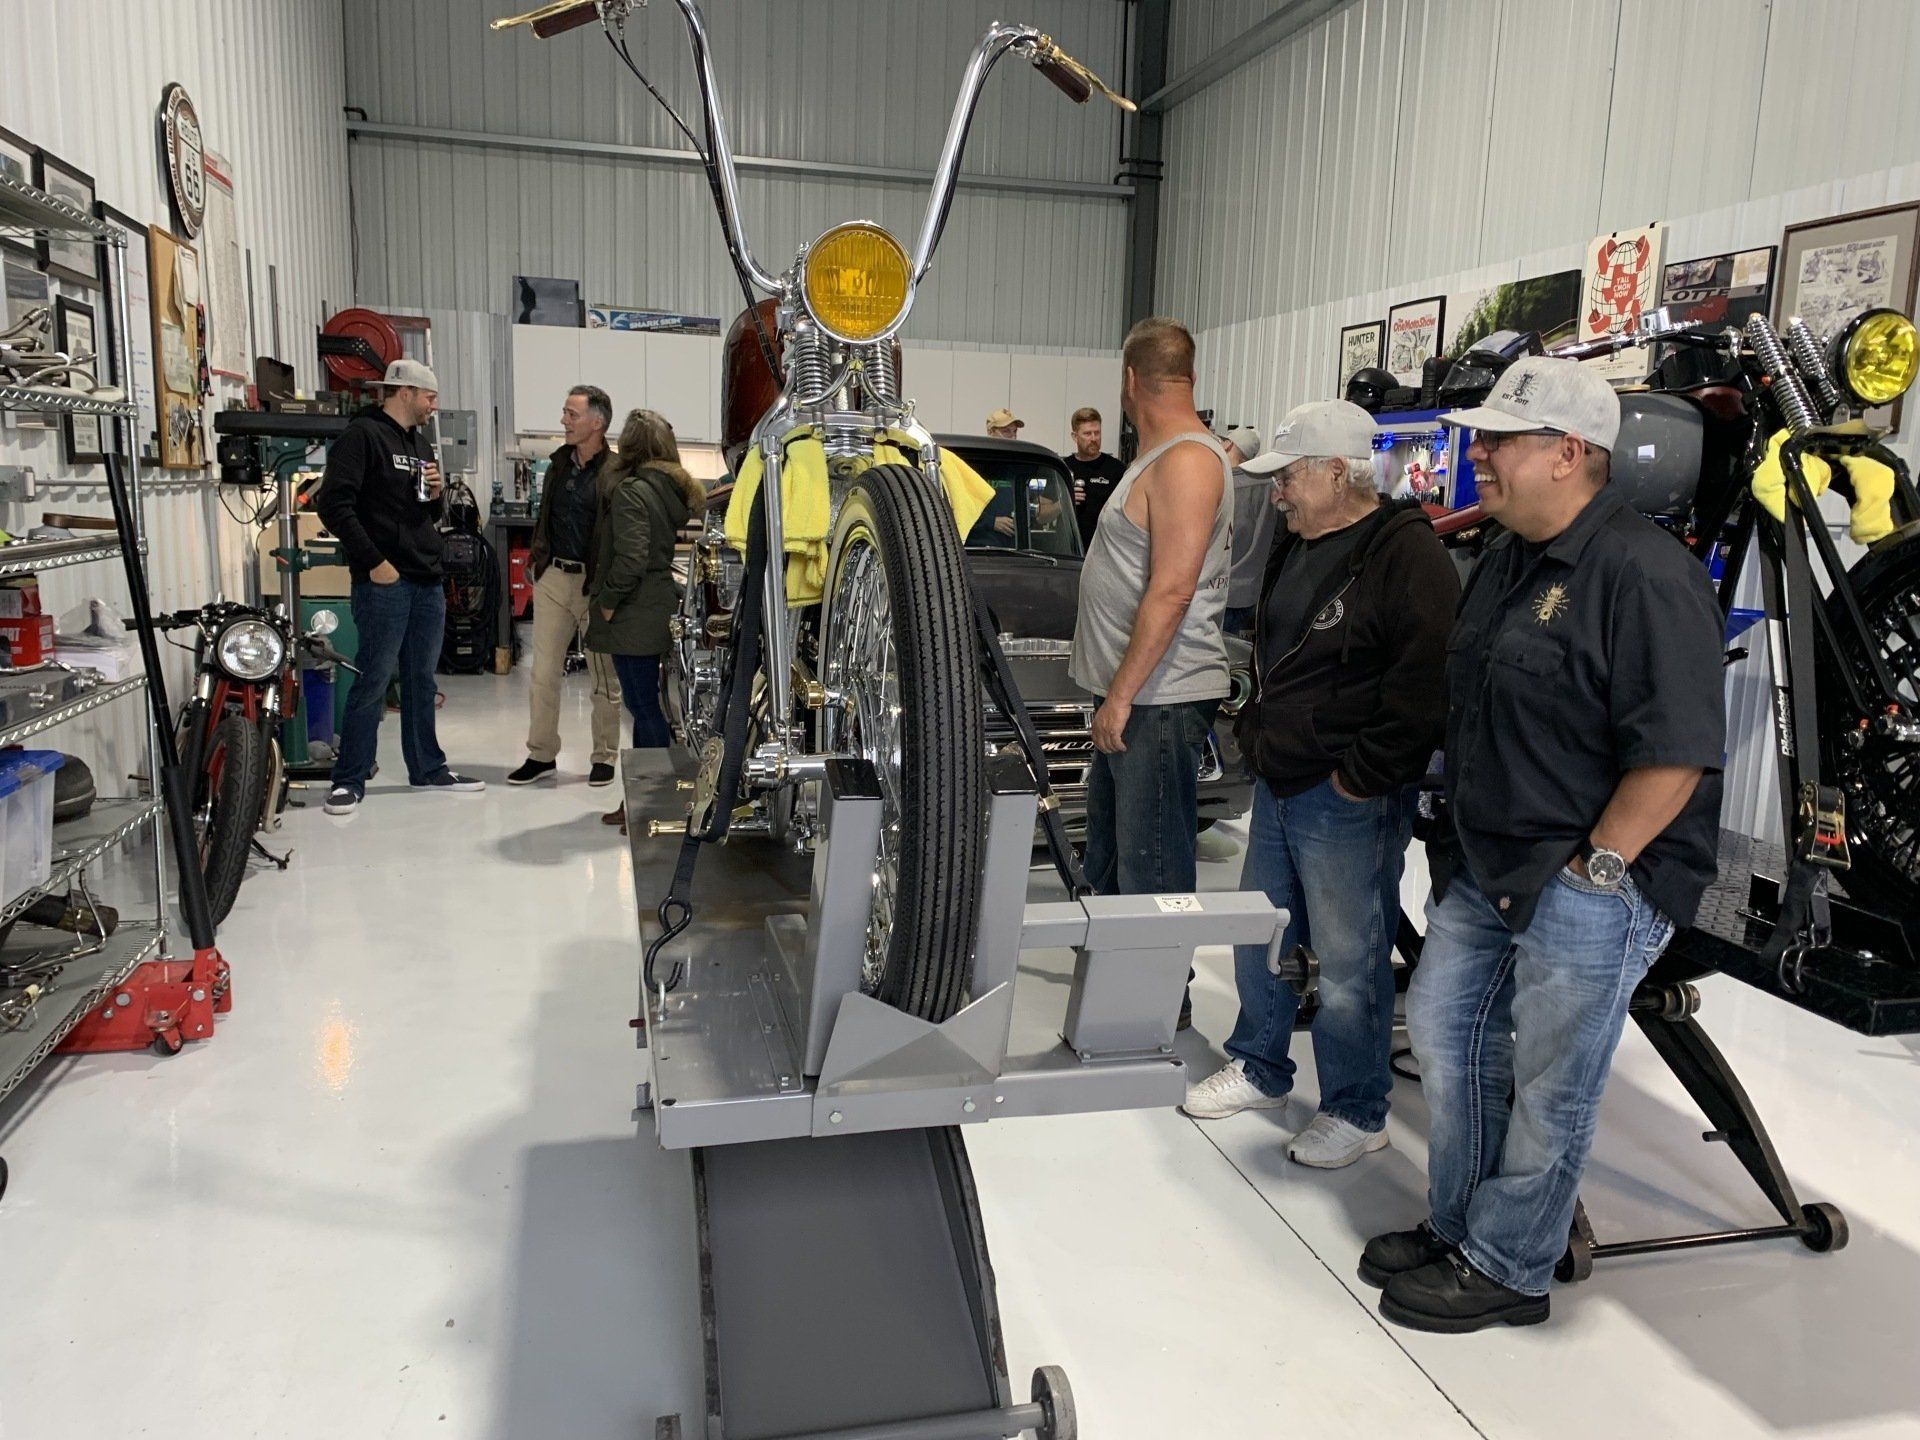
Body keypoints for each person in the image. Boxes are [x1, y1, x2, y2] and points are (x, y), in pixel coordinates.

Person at [1363, 356, 1726, 1333]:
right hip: (1492, 864)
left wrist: (1600, 866)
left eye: (1500, 441)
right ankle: (1461, 1226)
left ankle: (1512, 1262)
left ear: (1570, 454)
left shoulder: (1647, 576)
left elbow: (1679, 755)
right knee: (1445, 1033)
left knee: (1551, 1081)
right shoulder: (1505, 560)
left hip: (1591, 875)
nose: (1480, 456)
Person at [1181, 401, 1458, 1170]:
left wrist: (1360, 778)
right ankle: (1263, 1066)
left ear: (1337, 473)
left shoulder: (1407, 555)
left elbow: (1427, 683)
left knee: (1346, 962)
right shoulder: (1296, 543)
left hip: (1346, 798)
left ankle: (1357, 1107)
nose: (1278, 494)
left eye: (1290, 478)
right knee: (1259, 933)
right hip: (1281, 779)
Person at [1069, 318, 1232, 1029]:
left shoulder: (1187, 461)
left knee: (1153, 869)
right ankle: (1122, 997)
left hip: (1158, 701)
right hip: (1134, 699)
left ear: (1131, 383)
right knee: (1111, 861)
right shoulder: (1162, 456)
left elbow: (1173, 589)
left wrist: (1124, 697)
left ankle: (1160, 1008)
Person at [316, 359, 484, 815]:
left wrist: (431, 496)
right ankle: (348, 779)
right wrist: (373, 562)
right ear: (405, 391)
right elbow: (332, 503)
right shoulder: (363, 435)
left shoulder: (419, 441)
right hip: (386, 581)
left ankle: (428, 769)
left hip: (426, 579)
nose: (434, 406)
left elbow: (420, 513)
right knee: (373, 680)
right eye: (430, 397)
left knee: (420, 681)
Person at [587, 409, 706, 832]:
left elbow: (631, 557)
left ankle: (650, 802)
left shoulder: (632, 491)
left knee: (644, 710)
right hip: (654, 607)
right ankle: (644, 797)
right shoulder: (665, 491)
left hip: (632, 612)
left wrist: (607, 601)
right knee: (649, 708)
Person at [507, 385, 624, 788]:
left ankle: (604, 755)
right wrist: (538, 561)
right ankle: (541, 754)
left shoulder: (616, 470)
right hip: (555, 577)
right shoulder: (558, 463)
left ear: (598, 422)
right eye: (565, 413)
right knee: (543, 673)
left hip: (595, 585)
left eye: (572, 414)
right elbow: (547, 517)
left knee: (603, 675)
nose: (563, 421)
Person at [1218, 424, 1270, 636]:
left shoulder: (1220, 483)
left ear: (1229, 444)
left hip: (1223, 593)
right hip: (1255, 593)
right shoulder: (1269, 485)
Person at [1064, 406, 1127, 544]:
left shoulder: (1116, 469)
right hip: (1072, 549)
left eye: (1097, 433)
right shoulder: (1063, 467)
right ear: (1075, 436)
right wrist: (1065, 501)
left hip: (1106, 547)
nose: (1093, 438)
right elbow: (1042, 516)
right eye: (1087, 434)